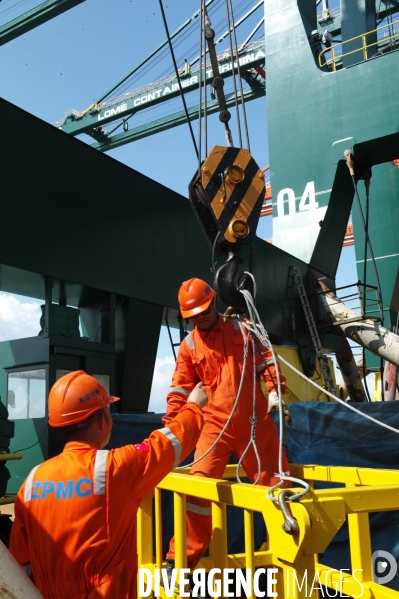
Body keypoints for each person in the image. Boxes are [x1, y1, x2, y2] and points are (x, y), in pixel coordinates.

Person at [10, 370, 207, 599]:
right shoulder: (114, 468)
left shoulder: (32, 482)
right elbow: (170, 443)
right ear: (102, 419)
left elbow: (20, 565)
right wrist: (194, 406)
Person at [163, 278, 289, 572]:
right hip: (214, 427)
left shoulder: (243, 330)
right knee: (197, 492)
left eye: (203, 312)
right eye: (192, 316)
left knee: (278, 489)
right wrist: (170, 425)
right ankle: (179, 560)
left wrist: (275, 392)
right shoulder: (189, 346)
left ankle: (285, 554)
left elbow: (267, 361)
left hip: (256, 424)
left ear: (214, 303)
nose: (199, 318)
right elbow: (180, 388)